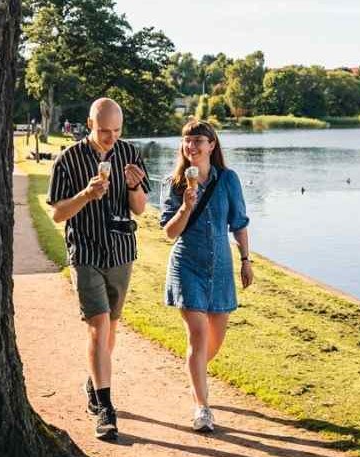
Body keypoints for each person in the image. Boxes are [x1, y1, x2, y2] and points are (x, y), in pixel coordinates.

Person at [47, 97, 150, 441]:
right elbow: (58, 214)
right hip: (86, 252)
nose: (110, 137)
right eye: (104, 131)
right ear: (90, 123)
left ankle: (94, 383)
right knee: (98, 326)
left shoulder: (130, 153)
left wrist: (134, 187)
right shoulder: (68, 159)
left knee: (112, 330)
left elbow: (140, 209)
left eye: (117, 130)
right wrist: (85, 195)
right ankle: (106, 409)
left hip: (121, 251)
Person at [160, 120, 253, 433]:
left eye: (199, 140)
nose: (192, 146)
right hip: (187, 265)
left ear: (212, 145)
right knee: (198, 337)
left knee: (214, 342)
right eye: (187, 140)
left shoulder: (228, 180)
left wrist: (246, 259)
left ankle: (194, 370)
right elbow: (169, 233)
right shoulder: (172, 183)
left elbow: (239, 222)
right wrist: (186, 207)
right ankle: (202, 408)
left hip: (222, 269)